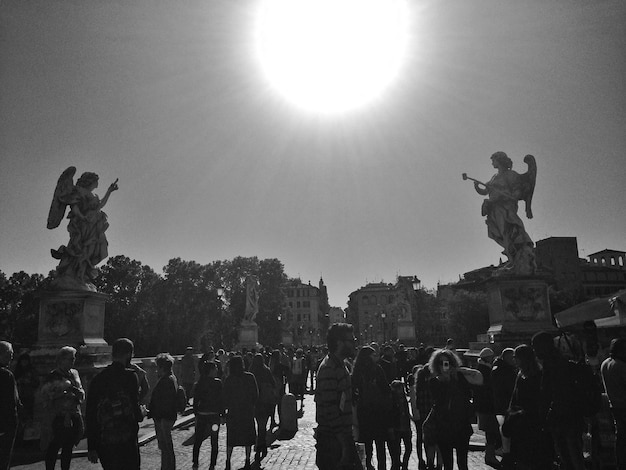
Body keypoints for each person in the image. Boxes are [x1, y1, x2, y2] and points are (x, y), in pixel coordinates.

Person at [48, 168, 119, 290]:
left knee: (100, 251)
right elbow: (74, 207)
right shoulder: (78, 191)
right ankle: (78, 276)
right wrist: (83, 217)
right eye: (96, 181)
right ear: (90, 181)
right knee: (82, 250)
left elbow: (100, 205)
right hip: (82, 226)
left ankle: (81, 275)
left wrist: (109, 191)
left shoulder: (91, 194)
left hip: (94, 227)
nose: (97, 184)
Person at [472, 151, 535, 275]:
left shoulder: (511, 175)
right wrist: (477, 187)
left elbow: (517, 191)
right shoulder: (494, 177)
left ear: (499, 161)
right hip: (494, 208)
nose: (492, 163)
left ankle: (513, 258)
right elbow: (485, 191)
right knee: (498, 232)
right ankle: (511, 257)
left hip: (506, 207)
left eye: (493, 160)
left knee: (506, 230)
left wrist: (510, 196)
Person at [532, 331, 585, 470]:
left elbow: (553, 393)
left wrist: (546, 415)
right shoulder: (556, 361)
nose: (534, 350)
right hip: (565, 417)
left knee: (571, 457)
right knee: (569, 457)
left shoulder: (554, 364)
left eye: (535, 346)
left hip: (565, 418)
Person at [86, 338, 143, 470]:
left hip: (105, 439)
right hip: (127, 438)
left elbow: (91, 414)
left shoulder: (98, 379)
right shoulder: (130, 377)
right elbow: (136, 410)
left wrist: (92, 446)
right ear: (129, 354)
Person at [425, 349, 483, 470]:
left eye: (447, 363)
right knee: (448, 463)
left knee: (462, 463)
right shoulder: (434, 382)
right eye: (440, 363)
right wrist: (446, 379)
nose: (444, 366)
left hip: (461, 425)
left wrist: (458, 371)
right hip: (443, 426)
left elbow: (479, 379)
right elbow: (439, 401)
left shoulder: (460, 378)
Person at [315, 323, 361, 470]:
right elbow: (330, 409)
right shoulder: (329, 368)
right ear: (340, 343)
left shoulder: (340, 365)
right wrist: (344, 443)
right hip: (333, 440)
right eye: (351, 340)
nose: (355, 344)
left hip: (340, 436)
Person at [507, 345, 553, 470]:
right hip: (521, 424)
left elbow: (542, 400)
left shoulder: (538, 376)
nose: (514, 360)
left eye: (516, 357)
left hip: (534, 424)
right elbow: (514, 399)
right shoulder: (520, 376)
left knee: (534, 460)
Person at [40, 346, 85, 470]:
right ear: (61, 359)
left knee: (68, 446)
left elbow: (81, 391)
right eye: (70, 358)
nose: (73, 361)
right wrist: (63, 392)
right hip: (58, 416)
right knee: (54, 445)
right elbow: (45, 395)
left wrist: (77, 393)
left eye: (73, 358)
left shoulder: (75, 373)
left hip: (74, 414)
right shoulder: (53, 376)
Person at [352, 346, 392, 470]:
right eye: (374, 355)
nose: (376, 358)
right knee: (380, 444)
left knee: (366, 443)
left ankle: (368, 465)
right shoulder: (377, 369)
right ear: (369, 356)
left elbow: (353, 393)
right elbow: (386, 389)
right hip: (379, 411)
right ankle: (381, 467)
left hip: (363, 411)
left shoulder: (357, 371)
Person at [223, 355, 258, 470]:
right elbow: (256, 395)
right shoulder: (250, 377)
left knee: (231, 438)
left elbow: (225, 398)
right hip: (247, 411)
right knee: (248, 438)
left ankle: (228, 461)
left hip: (233, 413)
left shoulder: (229, 379)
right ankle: (247, 460)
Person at [410, 347, 440, 470]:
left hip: (422, 417)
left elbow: (417, 402)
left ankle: (428, 462)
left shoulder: (420, 387)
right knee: (436, 441)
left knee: (426, 441)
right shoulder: (432, 386)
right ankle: (437, 464)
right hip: (433, 416)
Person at [192, 360, 224, 470]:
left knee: (198, 439)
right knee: (214, 440)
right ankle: (212, 464)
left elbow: (195, 401)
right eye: (215, 368)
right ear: (210, 370)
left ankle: (195, 462)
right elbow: (221, 400)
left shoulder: (199, 383)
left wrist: (196, 412)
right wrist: (222, 414)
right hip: (214, 416)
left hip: (202, 415)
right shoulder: (218, 383)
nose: (217, 370)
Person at [149, 353, 178, 470]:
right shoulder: (172, 378)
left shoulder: (165, 381)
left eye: (157, 367)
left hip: (163, 417)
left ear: (161, 367)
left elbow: (162, 401)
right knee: (165, 447)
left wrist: (155, 413)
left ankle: (168, 467)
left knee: (166, 446)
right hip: (167, 416)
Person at [600, 338, 626, 470]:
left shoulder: (605, 364)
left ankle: (620, 463)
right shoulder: (621, 366)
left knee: (620, 437)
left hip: (614, 405)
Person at [475, 348, 502, 469]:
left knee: (490, 432)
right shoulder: (486, 370)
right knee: (491, 431)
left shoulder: (481, 369)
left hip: (483, 406)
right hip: (487, 406)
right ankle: (490, 455)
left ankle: (489, 454)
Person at [491, 348, 517, 466]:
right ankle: (507, 455)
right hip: (503, 406)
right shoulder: (502, 370)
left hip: (506, 405)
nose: (513, 360)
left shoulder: (504, 369)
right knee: (505, 431)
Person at [249, 353, 276, 462]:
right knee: (263, 425)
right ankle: (262, 445)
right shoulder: (266, 370)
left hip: (255, 402)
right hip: (265, 402)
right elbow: (273, 384)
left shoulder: (251, 371)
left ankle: (259, 444)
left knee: (258, 424)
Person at [0, 341, 20, 470]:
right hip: (4, 425)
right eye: (10, 354)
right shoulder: (6, 375)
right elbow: (11, 403)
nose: (12, 357)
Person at [389, 380, 412, 470]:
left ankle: (404, 464)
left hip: (405, 427)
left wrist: (409, 427)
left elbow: (406, 413)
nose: (401, 391)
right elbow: (390, 415)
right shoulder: (392, 401)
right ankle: (397, 464)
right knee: (396, 450)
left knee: (409, 448)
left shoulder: (404, 400)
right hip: (397, 427)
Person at [269, 349, 289, 428]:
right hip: (280, 386)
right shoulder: (280, 365)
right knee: (280, 405)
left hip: (273, 387)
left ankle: (272, 421)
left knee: (273, 405)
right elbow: (287, 369)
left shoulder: (270, 366)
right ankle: (281, 420)